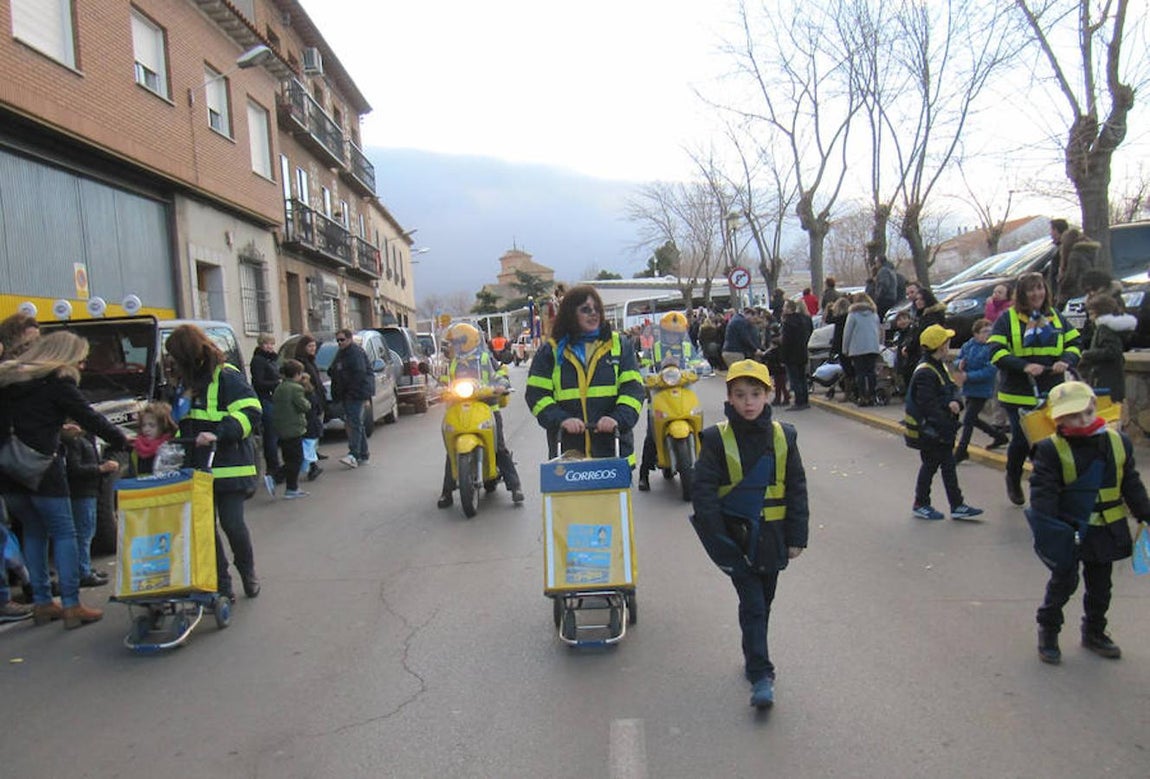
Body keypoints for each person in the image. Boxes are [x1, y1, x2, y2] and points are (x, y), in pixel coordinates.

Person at [688, 360, 808, 709]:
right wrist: (720, 541)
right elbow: (704, 493)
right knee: (755, 604)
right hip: (736, 542)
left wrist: (797, 536)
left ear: (768, 395)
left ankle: (753, 653)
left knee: (762, 603)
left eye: (756, 394)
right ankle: (761, 673)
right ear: (729, 397)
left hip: (773, 540)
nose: (748, 402)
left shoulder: (785, 436)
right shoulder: (715, 439)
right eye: (740, 395)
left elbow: (797, 488)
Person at [0, 331, 128, 628]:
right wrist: (121, 439)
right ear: (66, 356)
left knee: (33, 531)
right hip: (44, 469)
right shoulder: (57, 382)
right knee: (64, 533)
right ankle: (71, 605)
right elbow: (89, 417)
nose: (82, 366)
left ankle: (43, 603)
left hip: (9, 470)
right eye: (80, 360)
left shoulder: (8, 380)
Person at [1026, 382, 1150, 664]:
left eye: (1086, 412)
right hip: (1070, 531)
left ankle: (1094, 631)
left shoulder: (1118, 441)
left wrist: (1145, 513)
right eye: (1071, 415)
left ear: (1095, 406)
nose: (1081, 420)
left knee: (1101, 586)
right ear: (1057, 418)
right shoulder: (1049, 449)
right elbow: (1043, 493)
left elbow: (1131, 483)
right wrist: (1051, 531)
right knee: (1063, 583)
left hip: (1107, 528)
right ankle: (1049, 632)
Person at [165, 324, 262, 600]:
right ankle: (222, 584)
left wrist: (219, 433)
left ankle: (247, 571)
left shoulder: (227, 376)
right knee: (206, 529)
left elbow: (251, 411)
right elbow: (181, 423)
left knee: (232, 524)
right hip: (197, 467)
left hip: (229, 464)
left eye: (175, 355)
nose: (172, 362)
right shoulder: (184, 384)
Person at [988, 271, 1082, 506]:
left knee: (1050, 442)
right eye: (1031, 289)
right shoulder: (1007, 319)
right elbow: (996, 352)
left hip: (1051, 391)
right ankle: (1013, 477)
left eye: (1040, 288)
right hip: (1018, 392)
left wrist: (1066, 360)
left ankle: (1047, 485)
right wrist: (1024, 366)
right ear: (1022, 294)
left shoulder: (1056, 317)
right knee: (1022, 439)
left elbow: (1075, 342)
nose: (1036, 293)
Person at [525, 285, 644, 465]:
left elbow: (633, 390)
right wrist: (561, 420)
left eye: (597, 309)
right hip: (568, 455)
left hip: (613, 453)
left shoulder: (619, 345)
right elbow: (537, 395)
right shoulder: (550, 351)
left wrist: (616, 418)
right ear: (570, 314)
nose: (593, 314)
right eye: (586, 310)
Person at [438, 323, 524, 507]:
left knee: (499, 446)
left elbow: (500, 372)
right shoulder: (453, 363)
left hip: (487, 406)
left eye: (457, 342)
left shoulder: (485, 359)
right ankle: (447, 492)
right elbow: (446, 381)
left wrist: (502, 385)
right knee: (451, 449)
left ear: (468, 342)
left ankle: (515, 486)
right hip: (459, 408)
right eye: (453, 343)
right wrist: (440, 389)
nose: (454, 346)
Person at [906, 325, 984, 521]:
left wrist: (955, 401)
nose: (949, 344)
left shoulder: (937, 365)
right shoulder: (926, 371)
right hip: (932, 430)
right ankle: (922, 503)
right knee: (932, 466)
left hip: (939, 429)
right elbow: (927, 403)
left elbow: (951, 388)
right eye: (946, 341)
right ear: (940, 346)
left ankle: (955, 504)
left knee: (946, 467)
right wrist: (947, 411)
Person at [638, 311, 694, 490]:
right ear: (662, 332)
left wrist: (701, 368)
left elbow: (698, 360)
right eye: (669, 332)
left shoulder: (686, 347)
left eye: (676, 333)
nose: (673, 336)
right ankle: (643, 474)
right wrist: (645, 376)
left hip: (682, 391)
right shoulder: (654, 348)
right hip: (658, 394)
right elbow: (644, 366)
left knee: (699, 421)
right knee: (651, 435)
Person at [62, 421, 119, 587]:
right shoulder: (75, 441)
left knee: (88, 532)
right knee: (83, 534)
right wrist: (101, 469)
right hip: (82, 493)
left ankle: (85, 568)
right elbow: (74, 469)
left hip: (90, 492)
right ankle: (83, 572)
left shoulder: (85, 440)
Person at [954, 318, 1009, 462]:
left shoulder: (991, 348)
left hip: (983, 388)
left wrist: (968, 376)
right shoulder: (968, 346)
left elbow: (989, 371)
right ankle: (999, 437)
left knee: (968, 419)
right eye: (984, 332)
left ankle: (962, 450)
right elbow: (958, 358)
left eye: (990, 332)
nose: (987, 335)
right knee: (973, 419)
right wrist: (959, 363)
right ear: (975, 334)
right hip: (968, 388)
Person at [1078, 294, 1136, 402]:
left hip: (1106, 380)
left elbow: (1112, 351)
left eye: (1091, 314)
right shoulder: (1109, 329)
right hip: (1112, 380)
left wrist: (1087, 354)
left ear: (1099, 313)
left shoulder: (1104, 329)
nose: (1090, 318)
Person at [328, 328, 372, 468]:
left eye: (342, 339)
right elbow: (333, 369)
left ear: (349, 339)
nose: (340, 342)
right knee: (356, 423)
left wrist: (351, 391)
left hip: (355, 394)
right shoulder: (342, 353)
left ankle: (354, 454)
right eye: (338, 340)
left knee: (354, 423)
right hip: (347, 394)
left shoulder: (355, 353)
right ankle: (363, 454)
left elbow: (359, 374)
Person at [271, 359, 313, 499]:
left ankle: (292, 487)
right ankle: (278, 477)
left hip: (281, 428)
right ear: (297, 374)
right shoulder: (296, 388)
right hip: (293, 428)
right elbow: (305, 406)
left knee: (289, 457)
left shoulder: (280, 387)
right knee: (296, 459)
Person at [249, 333, 283, 495]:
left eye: (271, 343)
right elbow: (259, 382)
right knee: (270, 435)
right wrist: (276, 383)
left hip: (273, 399)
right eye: (267, 344)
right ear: (261, 344)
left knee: (275, 434)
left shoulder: (271, 360)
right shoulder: (258, 361)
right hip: (265, 400)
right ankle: (272, 468)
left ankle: (276, 466)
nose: (270, 346)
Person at [292, 335, 326, 481]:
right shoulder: (301, 363)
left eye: (314, 346)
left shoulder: (311, 361)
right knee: (309, 437)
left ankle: (313, 462)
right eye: (309, 346)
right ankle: (311, 466)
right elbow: (305, 383)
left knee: (313, 435)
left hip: (315, 400)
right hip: (308, 403)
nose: (313, 349)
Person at [842, 293, 882, 406]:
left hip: (857, 348)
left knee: (860, 373)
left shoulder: (853, 314)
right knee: (871, 372)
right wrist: (879, 345)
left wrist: (845, 348)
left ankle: (862, 396)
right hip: (872, 347)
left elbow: (847, 333)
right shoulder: (874, 314)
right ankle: (872, 395)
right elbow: (879, 330)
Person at [128, 401, 178, 476]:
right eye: (144, 425)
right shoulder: (135, 449)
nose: (146, 429)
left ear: (163, 426)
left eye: (152, 425)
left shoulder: (172, 447)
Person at [779, 300, 812, 410]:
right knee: (802, 377)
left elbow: (786, 341)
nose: (783, 309)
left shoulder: (788, 322)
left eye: (784, 307)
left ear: (789, 309)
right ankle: (805, 400)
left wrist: (783, 356)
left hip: (791, 354)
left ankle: (798, 401)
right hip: (802, 352)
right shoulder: (804, 319)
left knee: (795, 379)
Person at [1055, 231, 1100, 309]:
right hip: (1085, 291)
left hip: (1074, 293)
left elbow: (1071, 276)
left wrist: (1061, 283)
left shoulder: (1074, 255)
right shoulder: (1089, 252)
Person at [721, 307, 763, 372]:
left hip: (728, 351)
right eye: (754, 318)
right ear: (749, 314)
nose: (753, 321)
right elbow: (745, 337)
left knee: (736, 374)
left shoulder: (736, 318)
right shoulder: (741, 321)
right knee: (740, 375)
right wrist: (755, 349)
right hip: (735, 352)